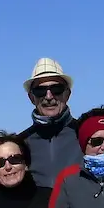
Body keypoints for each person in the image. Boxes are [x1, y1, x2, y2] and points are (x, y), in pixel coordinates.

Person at [20, 58, 81, 188]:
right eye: (40, 91)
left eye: (56, 89)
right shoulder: (20, 143)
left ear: (67, 94)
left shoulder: (85, 135)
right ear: (31, 98)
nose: (48, 97)